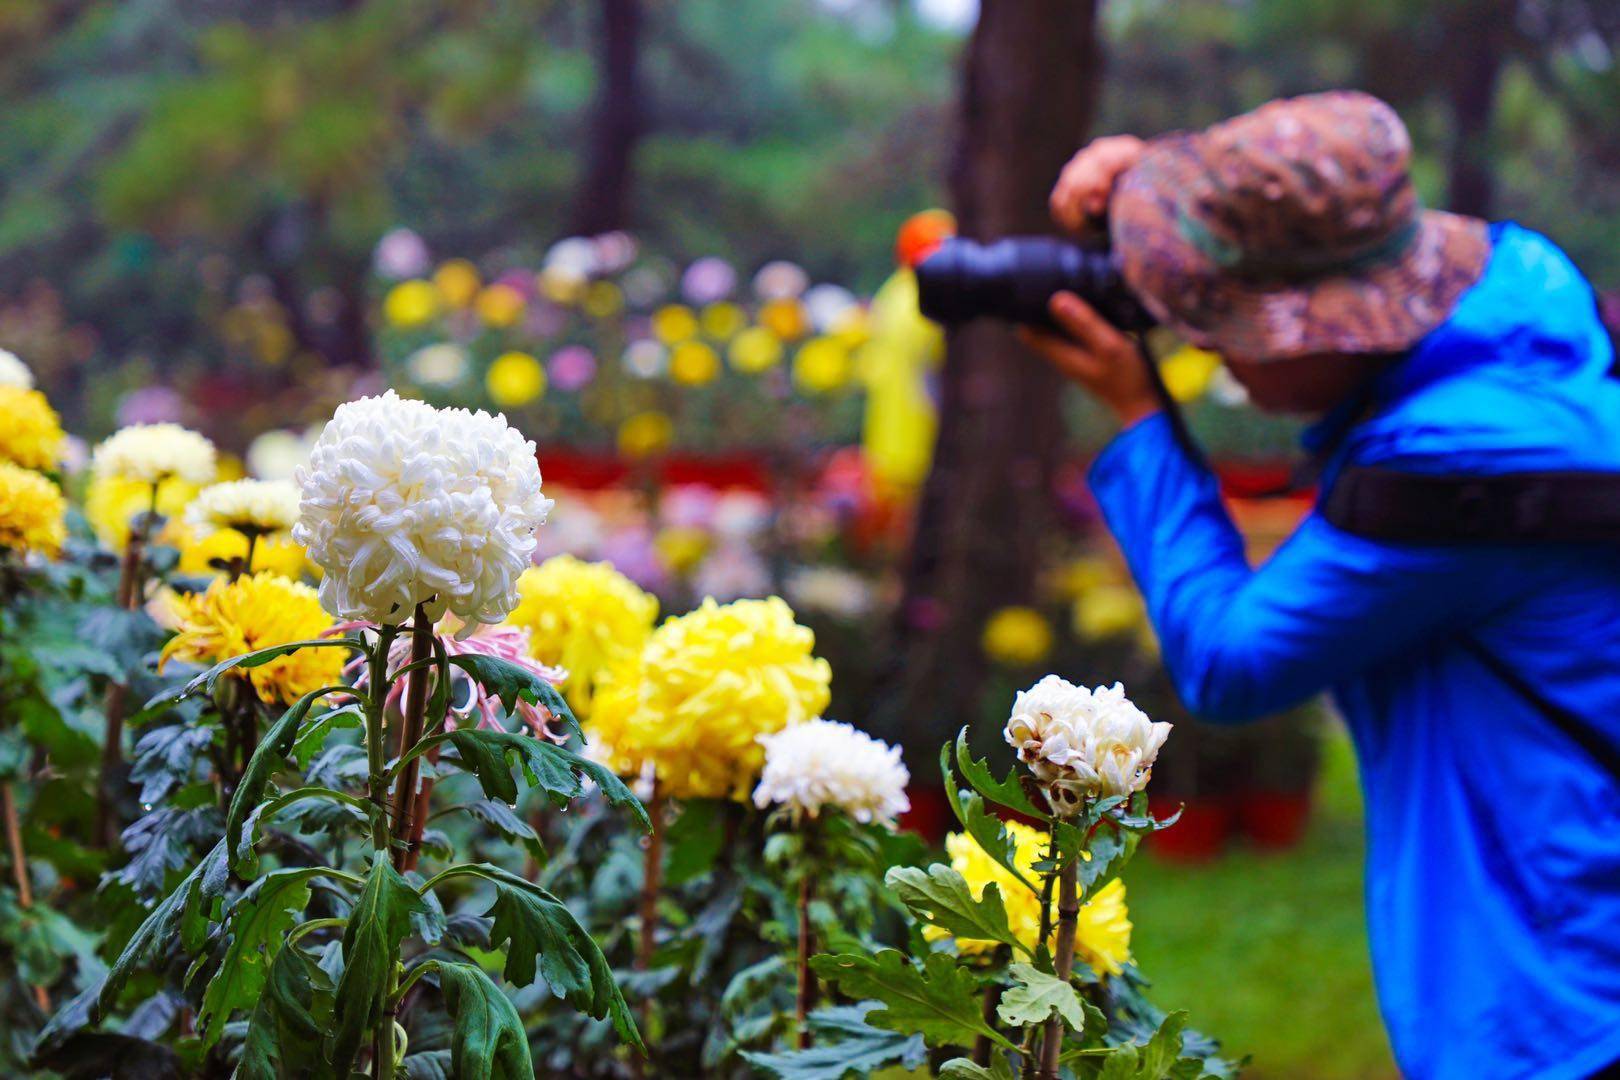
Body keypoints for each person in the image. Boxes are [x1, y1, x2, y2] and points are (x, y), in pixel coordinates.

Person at [1021, 90, 1620, 1080]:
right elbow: (1307, 209)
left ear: (1330, 333)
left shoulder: (1459, 464)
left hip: (1565, 990)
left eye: (1228, 327)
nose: (1208, 348)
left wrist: (1137, 414)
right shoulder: (1518, 288)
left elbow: (1230, 662)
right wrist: (1161, 197)